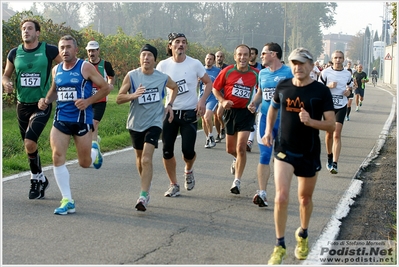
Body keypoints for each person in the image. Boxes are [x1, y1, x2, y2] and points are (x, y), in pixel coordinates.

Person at [264, 47, 335, 264]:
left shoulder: (321, 91)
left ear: (312, 66)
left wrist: (311, 122)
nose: (298, 67)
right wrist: (268, 130)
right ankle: (279, 245)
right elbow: (273, 109)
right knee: (281, 197)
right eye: (294, 63)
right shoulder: (283, 85)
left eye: (302, 63)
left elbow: (332, 125)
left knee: (304, 199)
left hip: (309, 152)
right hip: (284, 149)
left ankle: (302, 234)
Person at [38, 35, 112, 215]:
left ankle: (94, 149)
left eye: (68, 47)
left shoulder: (84, 67)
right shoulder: (56, 70)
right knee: (57, 155)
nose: (65, 51)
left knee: (84, 163)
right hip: (61, 119)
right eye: (62, 47)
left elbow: (105, 87)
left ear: (75, 49)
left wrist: (88, 101)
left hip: (81, 120)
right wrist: (46, 101)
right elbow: (55, 90)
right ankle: (67, 200)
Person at [2, 18, 62, 200]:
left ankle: (35, 178)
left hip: (41, 104)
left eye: (29, 28)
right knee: (30, 146)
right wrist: (6, 83)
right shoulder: (14, 53)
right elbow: (5, 75)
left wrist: (53, 92)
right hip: (22, 105)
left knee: (29, 141)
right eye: (23, 29)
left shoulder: (49, 50)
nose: (26, 31)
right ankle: (41, 177)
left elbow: (65, 69)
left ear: (37, 32)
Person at [116, 44, 178, 211]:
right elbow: (119, 98)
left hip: (155, 122)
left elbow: (175, 87)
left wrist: (169, 104)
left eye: (149, 55)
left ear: (154, 59)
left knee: (146, 158)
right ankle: (146, 184)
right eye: (143, 55)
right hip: (136, 123)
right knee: (139, 159)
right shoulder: (132, 76)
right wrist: (133, 95)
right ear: (140, 58)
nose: (146, 58)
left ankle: (143, 196)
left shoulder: (162, 77)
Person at [156, 32, 212, 197]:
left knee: (188, 151)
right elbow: (156, 86)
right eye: (177, 42)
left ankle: (188, 169)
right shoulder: (163, 65)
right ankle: (173, 184)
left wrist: (201, 101)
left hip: (189, 112)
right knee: (167, 150)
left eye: (184, 42)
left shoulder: (194, 64)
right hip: (170, 112)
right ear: (170, 46)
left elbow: (208, 83)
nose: (181, 45)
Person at [247, 42, 293, 207]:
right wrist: (253, 103)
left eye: (264, 53)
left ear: (274, 54)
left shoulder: (289, 72)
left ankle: (281, 191)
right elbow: (260, 92)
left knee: (280, 158)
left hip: (285, 121)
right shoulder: (262, 73)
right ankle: (262, 193)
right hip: (266, 119)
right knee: (264, 155)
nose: (261, 56)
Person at [213, 44, 259, 195]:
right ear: (235, 57)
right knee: (230, 150)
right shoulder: (228, 71)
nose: (243, 57)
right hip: (230, 112)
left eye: (246, 54)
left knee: (241, 148)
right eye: (240, 54)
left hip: (246, 113)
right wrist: (222, 101)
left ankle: (237, 181)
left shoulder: (257, 74)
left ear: (250, 56)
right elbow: (215, 88)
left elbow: (263, 92)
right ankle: (237, 160)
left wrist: (255, 104)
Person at [319, 50, 352, 174]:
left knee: (337, 134)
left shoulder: (347, 74)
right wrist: (328, 87)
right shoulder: (325, 73)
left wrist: (348, 92)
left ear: (343, 59)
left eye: (340, 58)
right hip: (328, 106)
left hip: (341, 105)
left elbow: (349, 87)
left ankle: (335, 163)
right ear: (332, 59)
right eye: (336, 58)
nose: (338, 60)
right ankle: (329, 156)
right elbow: (318, 89)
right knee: (329, 134)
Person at [85, 40, 116, 147]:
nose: (91, 54)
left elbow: (111, 77)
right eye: (89, 51)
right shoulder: (83, 64)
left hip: (100, 99)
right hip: (86, 99)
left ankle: (93, 150)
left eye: (93, 51)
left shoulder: (106, 64)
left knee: (94, 123)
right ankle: (95, 140)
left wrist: (110, 85)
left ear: (98, 51)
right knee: (87, 125)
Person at [200, 53, 221, 148]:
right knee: (203, 120)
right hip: (201, 97)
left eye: (211, 59)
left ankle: (211, 136)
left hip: (212, 97)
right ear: (205, 59)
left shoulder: (218, 71)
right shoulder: (200, 70)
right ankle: (208, 138)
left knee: (207, 117)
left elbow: (221, 84)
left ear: (213, 61)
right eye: (207, 58)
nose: (208, 60)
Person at [246, 47, 263, 152]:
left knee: (253, 116)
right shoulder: (244, 67)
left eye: (252, 54)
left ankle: (250, 141)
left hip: (257, 95)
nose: (250, 56)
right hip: (246, 95)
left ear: (256, 55)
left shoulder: (261, 68)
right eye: (249, 54)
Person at [214, 50, 228, 143]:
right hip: (212, 94)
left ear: (223, 58)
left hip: (223, 95)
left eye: (221, 56)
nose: (219, 58)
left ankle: (223, 127)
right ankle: (219, 134)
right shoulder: (212, 68)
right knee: (215, 116)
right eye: (218, 56)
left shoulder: (227, 68)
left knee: (219, 114)